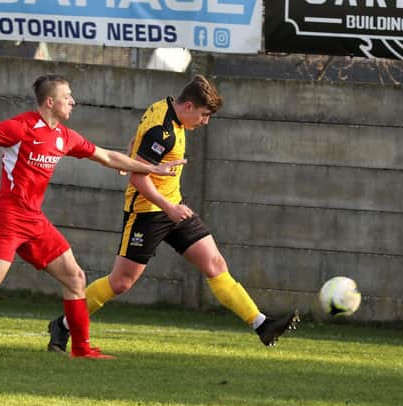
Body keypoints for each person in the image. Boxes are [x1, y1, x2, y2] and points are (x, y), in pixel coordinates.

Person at [0, 74, 185, 360]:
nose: (73, 101)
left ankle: (81, 349)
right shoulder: (22, 128)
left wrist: (152, 168)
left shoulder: (64, 136)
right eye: (68, 96)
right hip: (8, 217)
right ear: (50, 102)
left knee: (75, 277)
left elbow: (107, 156)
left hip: (34, 221)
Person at [47, 75, 298, 353]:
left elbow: (136, 141)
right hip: (146, 212)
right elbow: (138, 179)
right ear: (188, 106)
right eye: (203, 115)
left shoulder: (163, 107)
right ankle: (63, 325)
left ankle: (262, 325)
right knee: (120, 282)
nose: (205, 122)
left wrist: (132, 157)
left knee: (214, 263)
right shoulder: (162, 130)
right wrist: (166, 204)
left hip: (173, 206)